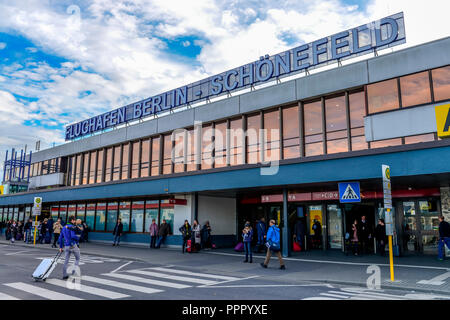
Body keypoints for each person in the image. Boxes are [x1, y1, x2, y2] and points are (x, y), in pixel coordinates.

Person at [58, 216, 81, 280]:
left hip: (66, 246)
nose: (75, 221)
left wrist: (60, 247)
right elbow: (73, 236)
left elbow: (60, 238)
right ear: (72, 220)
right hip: (73, 245)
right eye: (74, 220)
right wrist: (78, 238)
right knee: (77, 259)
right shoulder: (71, 227)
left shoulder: (64, 227)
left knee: (66, 261)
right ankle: (73, 273)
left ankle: (64, 275)